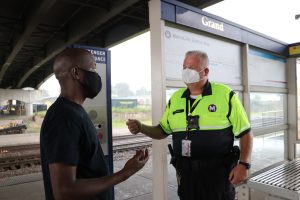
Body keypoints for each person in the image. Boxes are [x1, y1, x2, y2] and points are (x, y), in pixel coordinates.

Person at [126, 50, 253, 200]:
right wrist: (142, 127)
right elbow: (162, 130)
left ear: (205, 71)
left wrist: (244, 164)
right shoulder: (176, 98)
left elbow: (246, 133)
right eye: (184, 67)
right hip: (186, 174)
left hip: (217, 173)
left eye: (191, 67)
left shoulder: (225, 95)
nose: (186, 71)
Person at [40, 48, 149, 200]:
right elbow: (64, 190)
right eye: (92, 69)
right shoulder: (63, 117)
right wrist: (125, 173)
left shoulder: (74, 112)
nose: (97, 76)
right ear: (76, 73)